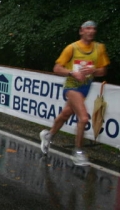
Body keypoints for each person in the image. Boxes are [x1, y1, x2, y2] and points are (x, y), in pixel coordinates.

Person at [40, 21, 110, 166]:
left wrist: (93, 71)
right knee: (83, 118)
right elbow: (57, 68)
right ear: (81, 31)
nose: (91, 31)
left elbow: (103, 71)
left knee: (65, 114)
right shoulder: (72, 48)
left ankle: (48, 135)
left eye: (93, 29)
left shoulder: (99, 48)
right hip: (71, 87)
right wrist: (72, 72)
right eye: (88, 28)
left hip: (85, 87)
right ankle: (78, 152)